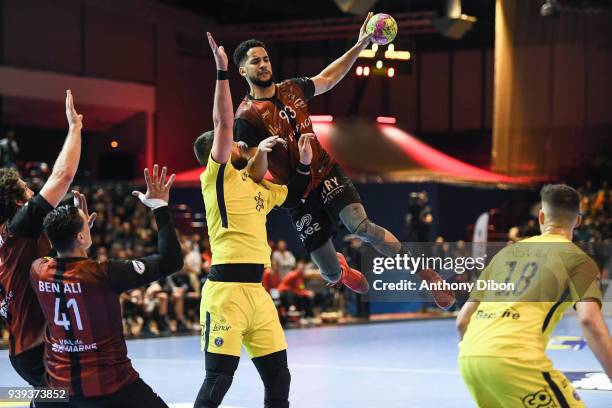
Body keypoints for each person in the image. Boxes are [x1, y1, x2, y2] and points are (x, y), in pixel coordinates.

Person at [232, 14, 452, 307]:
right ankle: (340, 272)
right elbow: (250, 173)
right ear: (242, 70)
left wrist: (361, 44)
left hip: (325, 173)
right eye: (255, 61)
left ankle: (422, 272)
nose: (263, 65)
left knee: (361, 226)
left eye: (266, 59)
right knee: (329, 271)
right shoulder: (245, 117)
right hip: (296, 195)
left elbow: (328, 77)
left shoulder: (292, 89)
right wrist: (261, 150)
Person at [191, 32, 322, 408]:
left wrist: (304, 162)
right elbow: (224, 120)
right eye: (229, 140)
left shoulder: (256, 186)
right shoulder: (217, 177)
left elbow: (292, 194)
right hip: (226, 294)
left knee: (279, 377)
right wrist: (221, 73)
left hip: (257, 293)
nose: (236, 141)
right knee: (219, 379)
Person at [30, 165, 182, 407]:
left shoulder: (38, 270)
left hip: (56, 390)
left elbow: (61, 252)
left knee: (28, 396)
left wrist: (76, 230)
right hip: (110, 387)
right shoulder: (104, 274)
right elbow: (171, 261)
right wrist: (160, 207)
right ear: (81, 237)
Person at [456, 184, 612, 408]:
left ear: (541, 216)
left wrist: (481, 353)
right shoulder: (579, 260)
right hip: (516, 361)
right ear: (578, 221)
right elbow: (589, 320)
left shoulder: (504, 255)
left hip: (470, 362)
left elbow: (463, 320)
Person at [0, 90, 83, 387]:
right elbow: (62, 176)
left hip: (30, 349)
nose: (33, 192)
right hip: (37, 349)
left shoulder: (13, 240)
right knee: (77, 399)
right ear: (17, 202)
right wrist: (75, 129)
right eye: (26, 189)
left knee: (62, 400)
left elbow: (57, 268)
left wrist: (81, 242)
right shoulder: (20, 226)